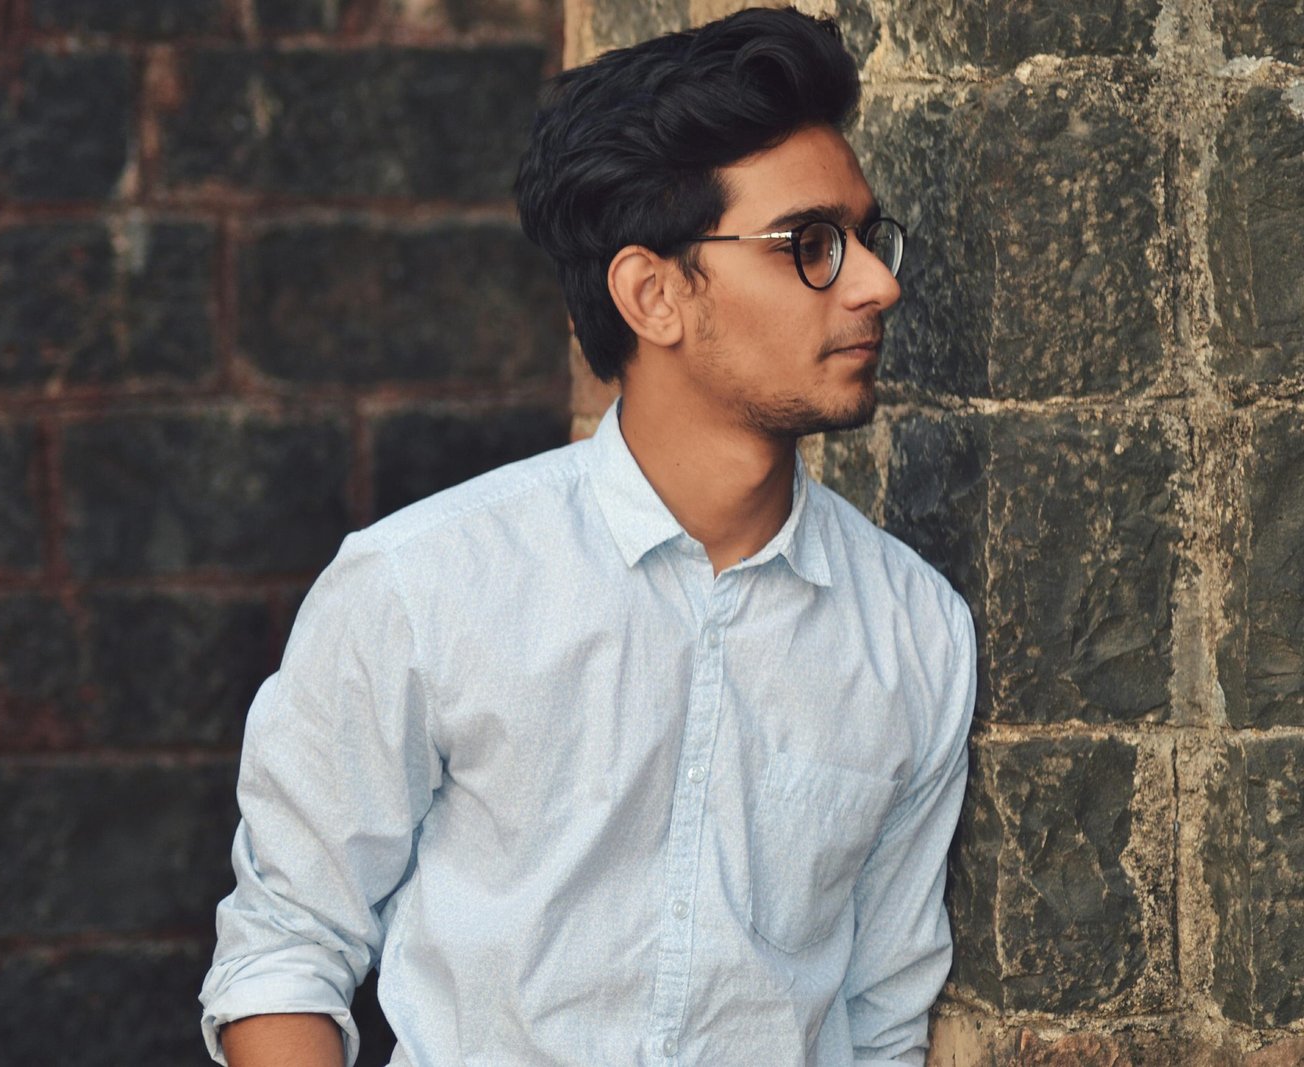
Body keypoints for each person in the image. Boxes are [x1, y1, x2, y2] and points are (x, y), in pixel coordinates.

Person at [199, 8, 977, 1065]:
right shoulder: (421, 586)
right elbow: (287, 945)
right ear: (654, 293)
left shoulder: (913, 629)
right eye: (810, 246)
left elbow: (880, 1016)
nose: (877, 283)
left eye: (864, 238)